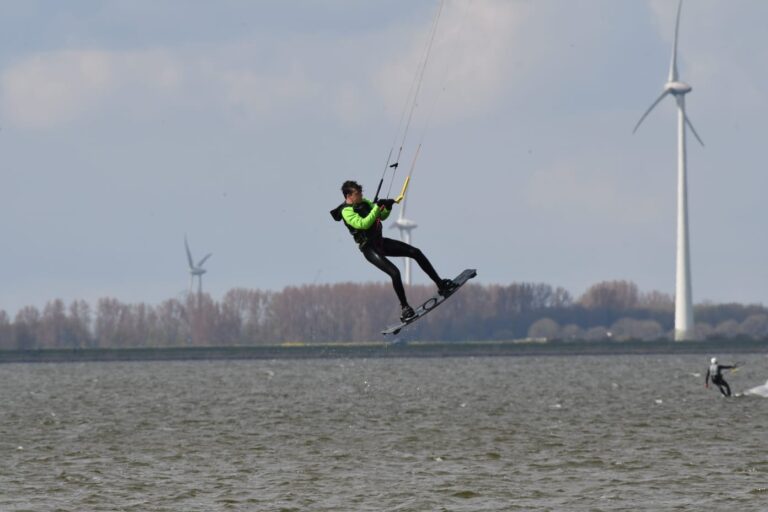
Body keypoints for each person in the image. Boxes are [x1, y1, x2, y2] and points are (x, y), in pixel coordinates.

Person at [330, 180, 456, 321]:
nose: (361, 195)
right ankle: (405, 308)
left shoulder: (364, 202)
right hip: (369, 248)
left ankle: (440, 284)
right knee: (395, 273)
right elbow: (363, 224)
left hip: (380, 242)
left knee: (416, 252)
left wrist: (387, 207)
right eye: (357, 193)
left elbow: (381, 216)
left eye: (361, 192)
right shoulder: (346, 211)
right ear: (348, 196)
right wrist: (377, 208)